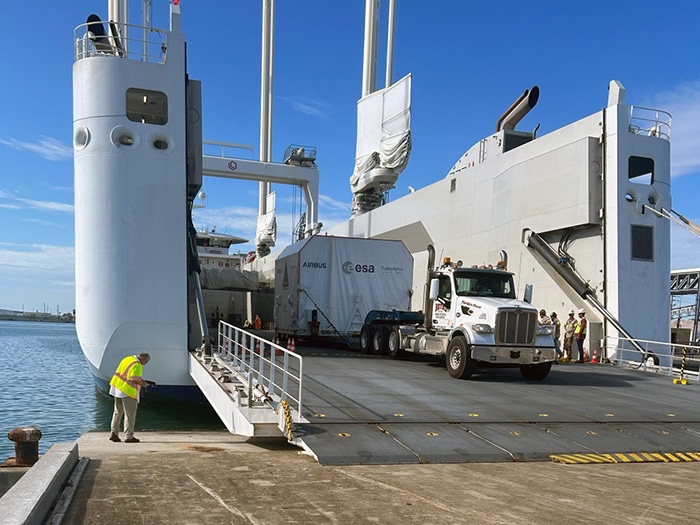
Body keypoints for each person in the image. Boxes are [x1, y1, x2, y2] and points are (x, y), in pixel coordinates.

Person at [109, 352, 153, 443]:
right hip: (127, 391)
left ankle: (114, 433)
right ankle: (129, 436)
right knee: (130, 414)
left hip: (117, 388)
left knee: (117, 412)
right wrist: (144, 384)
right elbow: (134, 379)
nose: (145, 364)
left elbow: (126, 374)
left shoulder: (127, 359)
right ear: (143, 358)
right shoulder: (137, 364)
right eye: (146, 362)